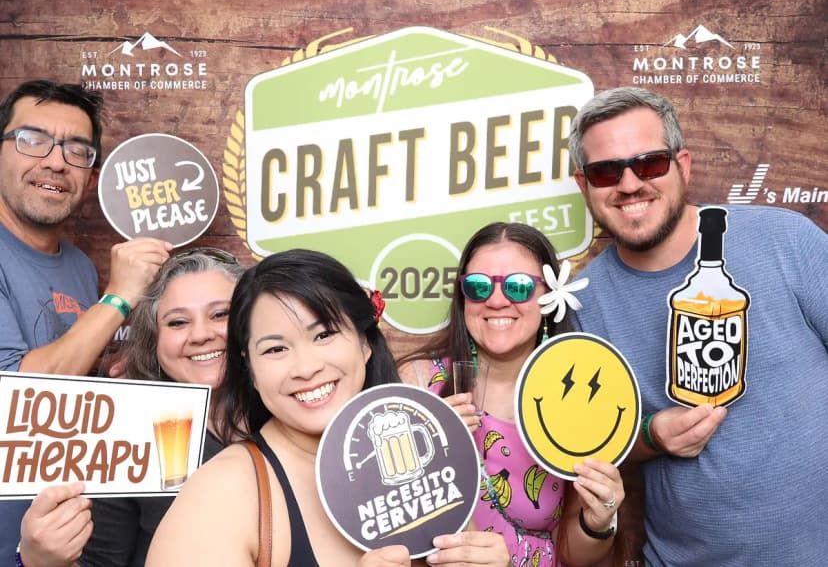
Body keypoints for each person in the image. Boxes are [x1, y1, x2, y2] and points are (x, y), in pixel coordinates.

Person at [567, 86, 828, 567]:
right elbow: (598, 449)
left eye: (648, 163)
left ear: (682, 165)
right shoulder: (584, 304)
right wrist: (653, 435)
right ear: (585, 186)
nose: (628, 184)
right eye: (606, 171)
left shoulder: (786, 242)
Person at [146, 249, 511, 566]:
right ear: (250, 369)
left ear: (365, 343)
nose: (306, 368)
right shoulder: (223, 494)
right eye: (275, 349)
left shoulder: (422, 465)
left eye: (324, 335)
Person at [0, 79, 171, 563]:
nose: (56, 161)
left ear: (91, 177)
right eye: (32, 140)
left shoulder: (76, 265)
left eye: (77, 150)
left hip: (56, 545)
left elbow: (70, 381)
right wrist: (119, 297)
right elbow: (21, 397)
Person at [399, 222, 624, 567]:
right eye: (478, 287)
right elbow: (393, 527)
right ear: (463, 298)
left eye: (518, 287)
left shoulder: (580, 398)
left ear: (549, 296)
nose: (497, 300)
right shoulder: (419, 385)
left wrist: (597, 521)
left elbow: (575, 555)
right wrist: (430, 453)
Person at [17, 247, 246, 567]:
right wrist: (39, 560)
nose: (200, 334)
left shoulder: (290, 412)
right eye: (178, 322)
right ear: (155, 341)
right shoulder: (131, 433)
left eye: (220, 314)